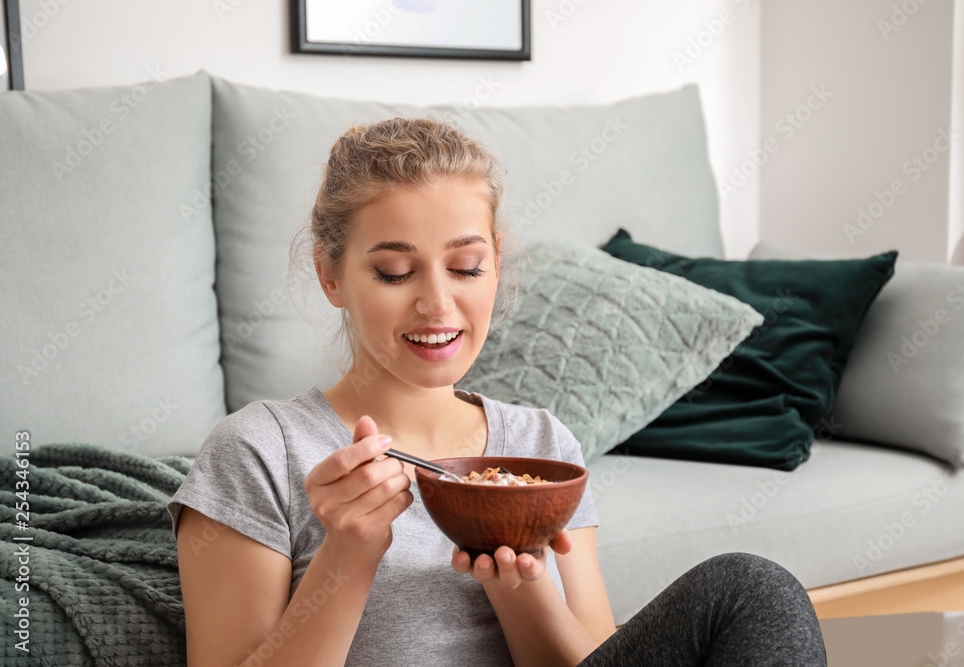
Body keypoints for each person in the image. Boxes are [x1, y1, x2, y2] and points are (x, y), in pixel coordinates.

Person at [168, 117, 827, 667]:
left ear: (496, 265)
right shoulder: (259, 448)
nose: (437, 301)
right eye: (395, 271)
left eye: (465, 267)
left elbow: (595, 657)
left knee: (752, 589)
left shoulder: (539, 446)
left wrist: (520, 583)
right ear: (331, 275)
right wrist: (345, 555)